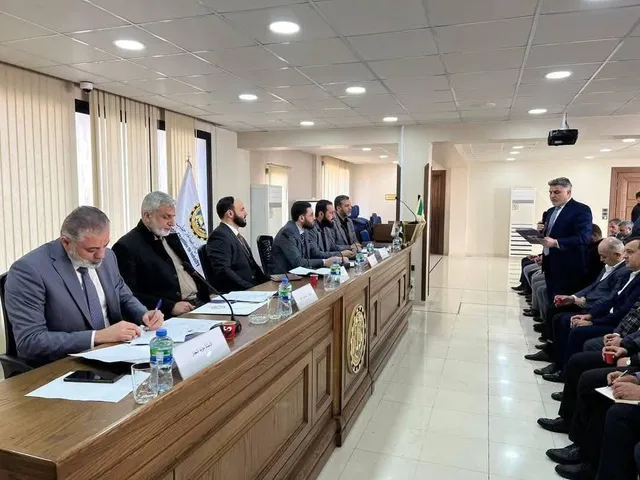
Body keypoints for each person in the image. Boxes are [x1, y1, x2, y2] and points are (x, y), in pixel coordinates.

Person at [5, 206, 164, 367]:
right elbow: (30, 342)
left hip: (116, 353)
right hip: (67, 364)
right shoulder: (29, 270)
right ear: (66, 242)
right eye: (91, 250)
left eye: (105, 245)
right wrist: (98, 337)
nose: (101, 255)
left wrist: (143, 314)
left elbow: (123, 295)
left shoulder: (108, 257)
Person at [540, 238, 640, 383]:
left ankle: (566, 374)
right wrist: (590, 316)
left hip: (616, 324)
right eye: (625, 252)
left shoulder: (628, 274)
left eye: (629, 252)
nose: (625, 256)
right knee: (560, 316)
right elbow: (610, 299)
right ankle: (559, 362)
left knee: (577, 332)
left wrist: (594, 321)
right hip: (610, 318)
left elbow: (623, 311)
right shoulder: (630, 274)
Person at [527, 237, 628, 365]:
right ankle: (553, 350)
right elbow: (593, 286)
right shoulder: (610, 265)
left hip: (596, 308)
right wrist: (573, 297)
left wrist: (584, 305)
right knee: (556, 311)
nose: (601, 260)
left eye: (604, 256)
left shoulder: (623, 272)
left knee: (564, 320)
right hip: (589, 302)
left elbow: (610, 299)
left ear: (617, 255)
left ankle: (560, 361)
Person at [112, 192, 210, 319]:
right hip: (166, 315)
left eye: (173, 217)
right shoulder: (126, 246)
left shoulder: (171, 237)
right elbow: (129, 295)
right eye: (166, 217)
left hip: (199, 303)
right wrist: (170, 306)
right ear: (147, 216)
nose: (172, 223)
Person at [539, 177, 593, 299]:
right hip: (549, 261)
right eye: (550, 192)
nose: (552, 196)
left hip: (569, 265)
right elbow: (550, 234)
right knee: (551, 297)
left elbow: (583, 237)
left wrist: (556, 242)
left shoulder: (581, 210)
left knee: (562, 300)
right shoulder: (550, 211)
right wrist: (541, 231)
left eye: (556, 192)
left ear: (568, 192)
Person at [205, 196, 268, 293]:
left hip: (253, 289)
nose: (245, 213)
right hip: (239, 292)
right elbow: (224, 271)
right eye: (242, 210)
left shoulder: (236, 235)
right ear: (230, 213)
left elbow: (253, 266)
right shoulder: (219, 236)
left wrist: (268, 283)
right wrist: (251, 289)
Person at [271, 201, 345, 273]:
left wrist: (335, 259)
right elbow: (298, 262)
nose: (314, 218)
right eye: (311, 215)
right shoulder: (287, 232)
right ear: (301, 218)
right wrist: (325, 262)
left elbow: (309, 257)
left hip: (300, 273)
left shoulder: (305, 230)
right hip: (283, 276)